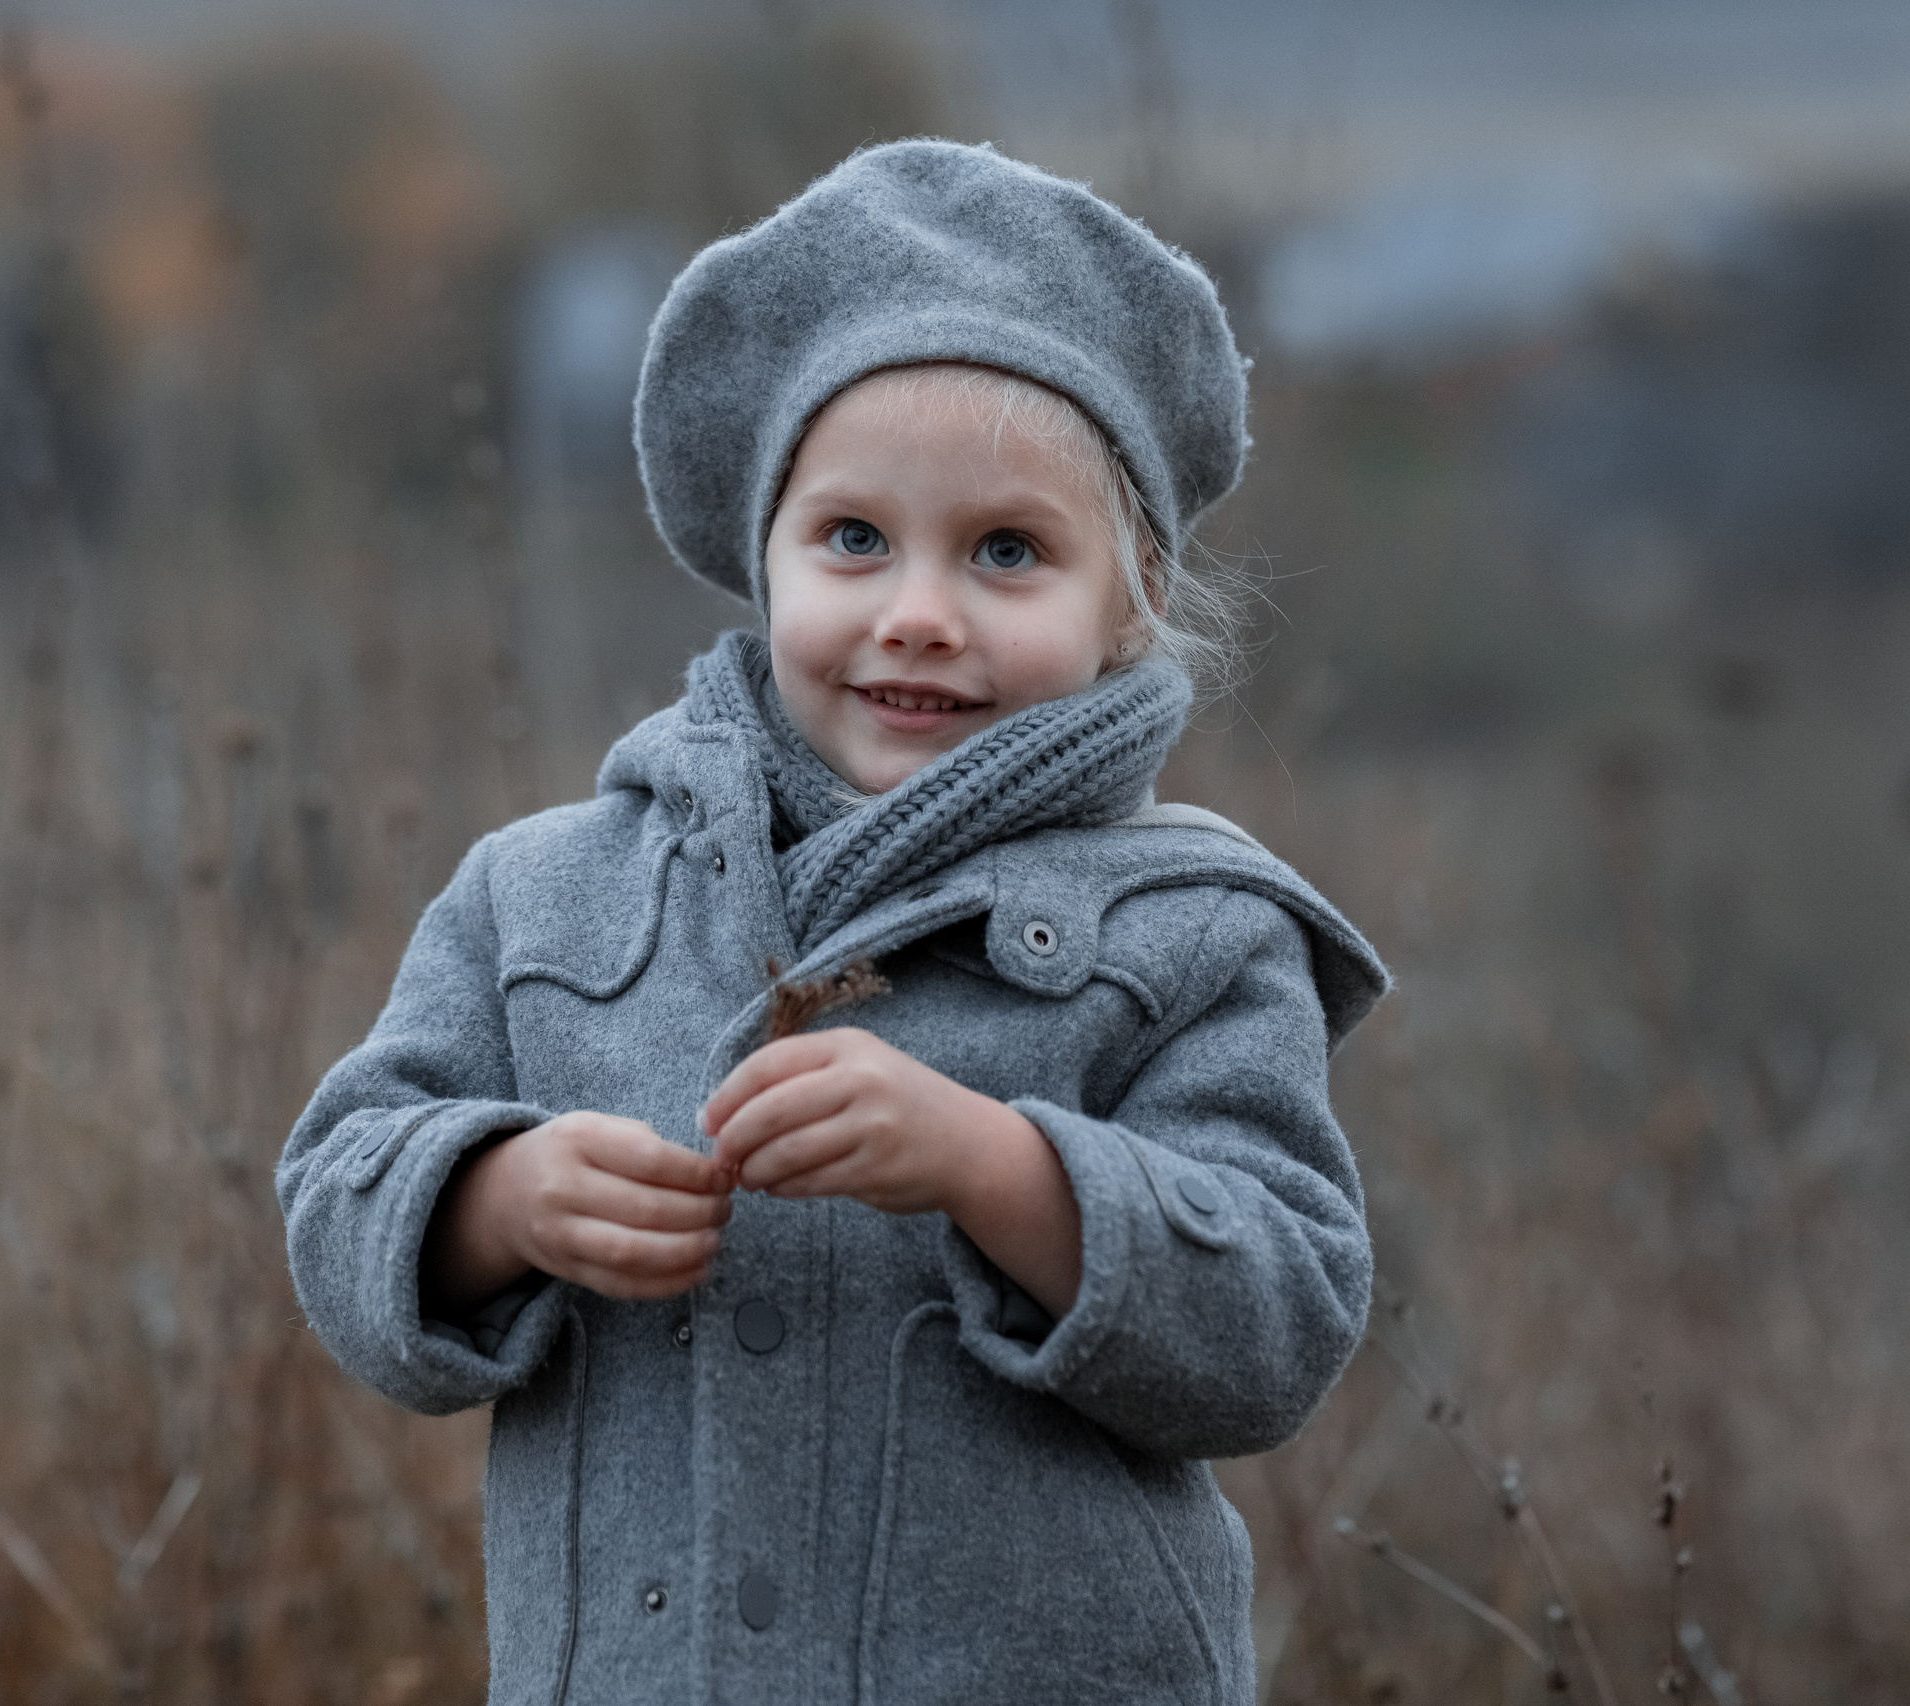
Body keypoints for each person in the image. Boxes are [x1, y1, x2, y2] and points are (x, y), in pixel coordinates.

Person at [277, 139, 1389, 1706]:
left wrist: (995, 1165)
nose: (917, 612)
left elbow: (1278, 1327)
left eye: (1007, 551)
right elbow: (337, 1190)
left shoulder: (1196, 934)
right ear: (766, 554)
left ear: (1131, 595)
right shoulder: (541, 892)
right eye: (854, 538)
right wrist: (494, 1198)